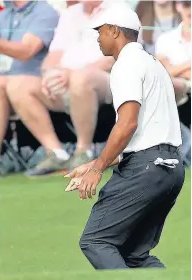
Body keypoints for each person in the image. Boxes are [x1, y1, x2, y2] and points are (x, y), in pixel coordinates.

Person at [64, 3, 185, 270]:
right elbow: (147, 134)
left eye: (100, 32)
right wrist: (98, 162)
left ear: (115, 31)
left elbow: (128, 124)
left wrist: (96, 170)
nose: (98, 38)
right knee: (135, 256)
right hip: (171, 169)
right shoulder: (152, 63)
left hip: (146, 169)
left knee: (96, 241)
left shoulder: (126, 64)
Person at [6, 0, 114, 177]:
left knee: (81, 79)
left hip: (105, 78)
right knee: (18, 85)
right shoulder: (70, 14)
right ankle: (57, 153)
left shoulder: (118, 11)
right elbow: (53, 55)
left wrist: (70, 74)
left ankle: (83, 151)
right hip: (65, 80)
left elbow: (114, 57)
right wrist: (50, 75)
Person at [0, 0, 59, 180]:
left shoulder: (44, 12)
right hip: (1, 81)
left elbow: (26, 51)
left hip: (34, 80)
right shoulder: (2, 16)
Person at [155, 0, 191, 165]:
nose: (190, 8)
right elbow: (164, 71)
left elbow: (171, 69)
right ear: (177, 6)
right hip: (177, 93)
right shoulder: (166, 39)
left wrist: (179, 69)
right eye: (186, 3)